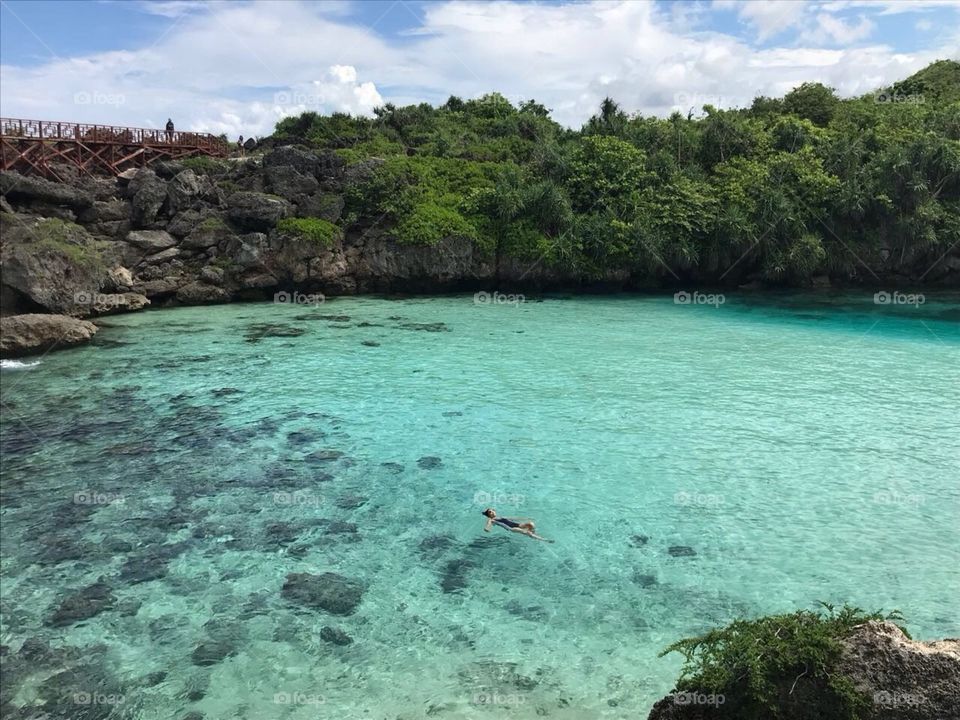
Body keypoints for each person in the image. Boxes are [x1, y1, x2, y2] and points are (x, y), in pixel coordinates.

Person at [482, 508, 553, 542]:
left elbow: (514, 518)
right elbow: (488, 524)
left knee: (531, 524)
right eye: (490, 512)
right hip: (511, 528)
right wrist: (487, 528)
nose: (493, 512)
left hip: (518, 525)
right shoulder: (491, 520)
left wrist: (526, 518)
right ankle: (544, 540)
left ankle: (533, 535)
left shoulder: (501, 517)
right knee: (527, 532)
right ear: (488, 515)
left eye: (493, 510)